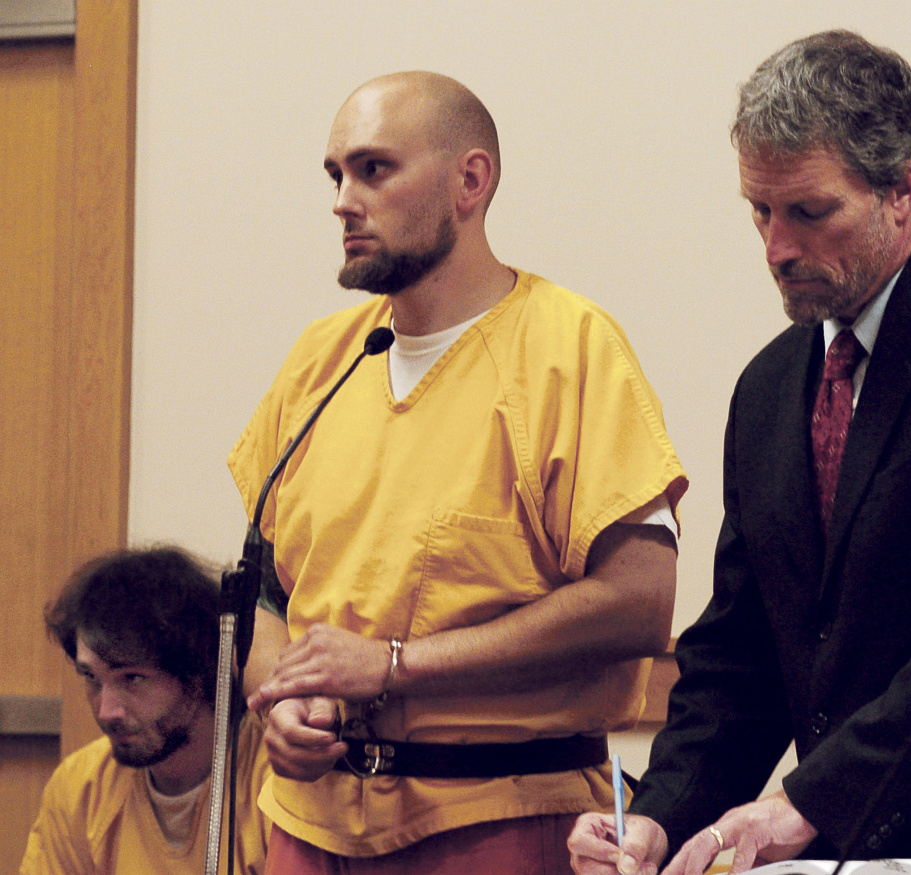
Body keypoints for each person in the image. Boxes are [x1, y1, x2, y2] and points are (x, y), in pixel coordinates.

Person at [230, 71, 687, 873]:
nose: (343, 201)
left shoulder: (569, 348)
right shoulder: (322, 360)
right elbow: (268, 588)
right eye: (336, 175)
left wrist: (394, 665)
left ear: (470, 181)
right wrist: (281, 699)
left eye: (374, 169)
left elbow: (638, 603)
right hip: (311, 823)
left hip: (497, 815)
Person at [568, 29, 911, 875]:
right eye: (760, 211)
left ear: (902, 188)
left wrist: (810, 800)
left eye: (809, 212)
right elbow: (743, 653)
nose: (776, 248)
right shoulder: (769, 388)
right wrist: (658, 815)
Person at [20, 546, 271, 875]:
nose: (106, 711)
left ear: (197, 673)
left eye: (132, 678)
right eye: (91, 678)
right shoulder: (81, 787)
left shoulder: (273, 777)